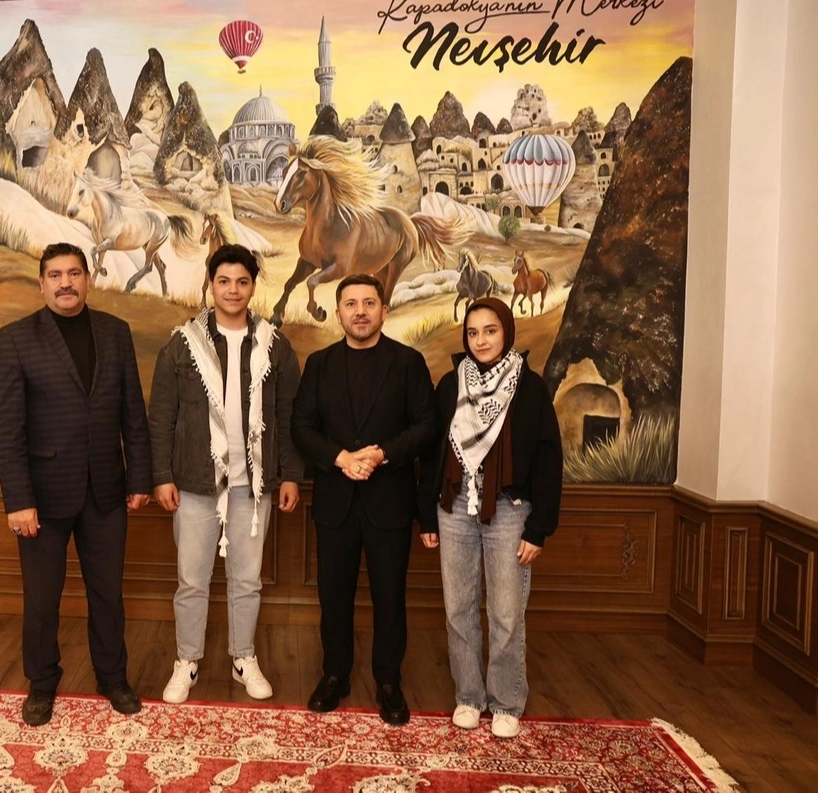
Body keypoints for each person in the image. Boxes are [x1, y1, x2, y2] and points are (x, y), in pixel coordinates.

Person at [0, 242, 152, 727]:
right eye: (56, 275)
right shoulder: (17, 338)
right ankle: (42, 683)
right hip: (42, 497)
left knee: (108, 594)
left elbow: (133, 413)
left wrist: (140, 476)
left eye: (74, 273)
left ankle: (112, 677)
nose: (66, 283)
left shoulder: (115, 332)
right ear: (42, 284)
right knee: (42, 600)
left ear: (88, 279)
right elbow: (7, 428)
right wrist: (19, 500)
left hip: (107, 491)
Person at [148, 244, 304, 704]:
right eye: (224, 281)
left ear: (253, 287)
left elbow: (290, 416)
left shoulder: (276, 345)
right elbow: (162, 415)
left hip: (252, 487)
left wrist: (290, 475)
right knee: (192, 580)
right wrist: (161, 475)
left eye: (242, 282)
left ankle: (243, 657)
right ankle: (187, 661)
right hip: (195, 483)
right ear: (211, 285)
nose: (233, 290)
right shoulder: (182, 344)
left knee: (247, 580)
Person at [291, 274, 437, 725]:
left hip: (389, 501)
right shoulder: (319, 364)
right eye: (351, 304)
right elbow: (301, 426)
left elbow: (427, 426)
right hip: (335, 502)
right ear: (338, 313)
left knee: (390, 598)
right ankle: (334, 675)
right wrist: (340, 458)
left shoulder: (408, 363)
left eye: (369, 303)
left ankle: (388, 681)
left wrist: (381, 454)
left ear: (383, 310)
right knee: (333, 597)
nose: (360, 311)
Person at [418, 296, 563, 739]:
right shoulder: (450, 384)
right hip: (455, 505)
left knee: (506, 612)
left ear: (507, 332)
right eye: (473, 332)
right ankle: (468, 697)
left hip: (509, 510)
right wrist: (427, 516)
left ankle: (505, 702)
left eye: (490, 330)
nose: (481, 340)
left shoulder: (530, 388)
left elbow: (548, 459)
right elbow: (432, 454)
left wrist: (539, 529)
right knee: (458, 608)